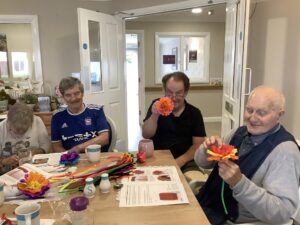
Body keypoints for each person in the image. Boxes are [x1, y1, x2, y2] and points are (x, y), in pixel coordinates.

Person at [195, 86, 300, 225]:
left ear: (279, 114)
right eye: (249, 110)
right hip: (207, 204)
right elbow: (201, 163)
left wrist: (240, 184)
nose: (252, 118)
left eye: (262, 113)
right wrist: (206, 150)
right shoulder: (239, 132)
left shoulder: (285, 151)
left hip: (231, 220)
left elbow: (283, 213)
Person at [142, 71, 206, 171]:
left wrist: (179, 162)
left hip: (186, 160)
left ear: (185, 92)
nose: (174, 97)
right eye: (169, 93)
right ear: (164, 90)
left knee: (194, 182)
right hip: (158, 156)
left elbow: (198, 145)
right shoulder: (156, 105)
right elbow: (146, 134)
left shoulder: (195, 113)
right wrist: (155, 115)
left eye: (179, 93)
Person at [51, 77, 109, 153]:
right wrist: (69, 157)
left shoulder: (97, 111)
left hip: (97, 157)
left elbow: (104, 138)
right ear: (63, 97)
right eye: (68, 95)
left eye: (76, 93)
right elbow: (56, 146)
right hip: (71, 160)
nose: (73, 98)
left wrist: (78, 148)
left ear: (82, 93)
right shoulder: (57, 117)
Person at [0, 103, 50, 174]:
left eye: (25, 130)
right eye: (17, 130)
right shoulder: (1, 128)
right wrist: (4, 161)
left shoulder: (37, 121)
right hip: (8, 173)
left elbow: (46, 147)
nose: (21, 133)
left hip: (36, 170)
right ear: (9, 122)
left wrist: (33, 153)